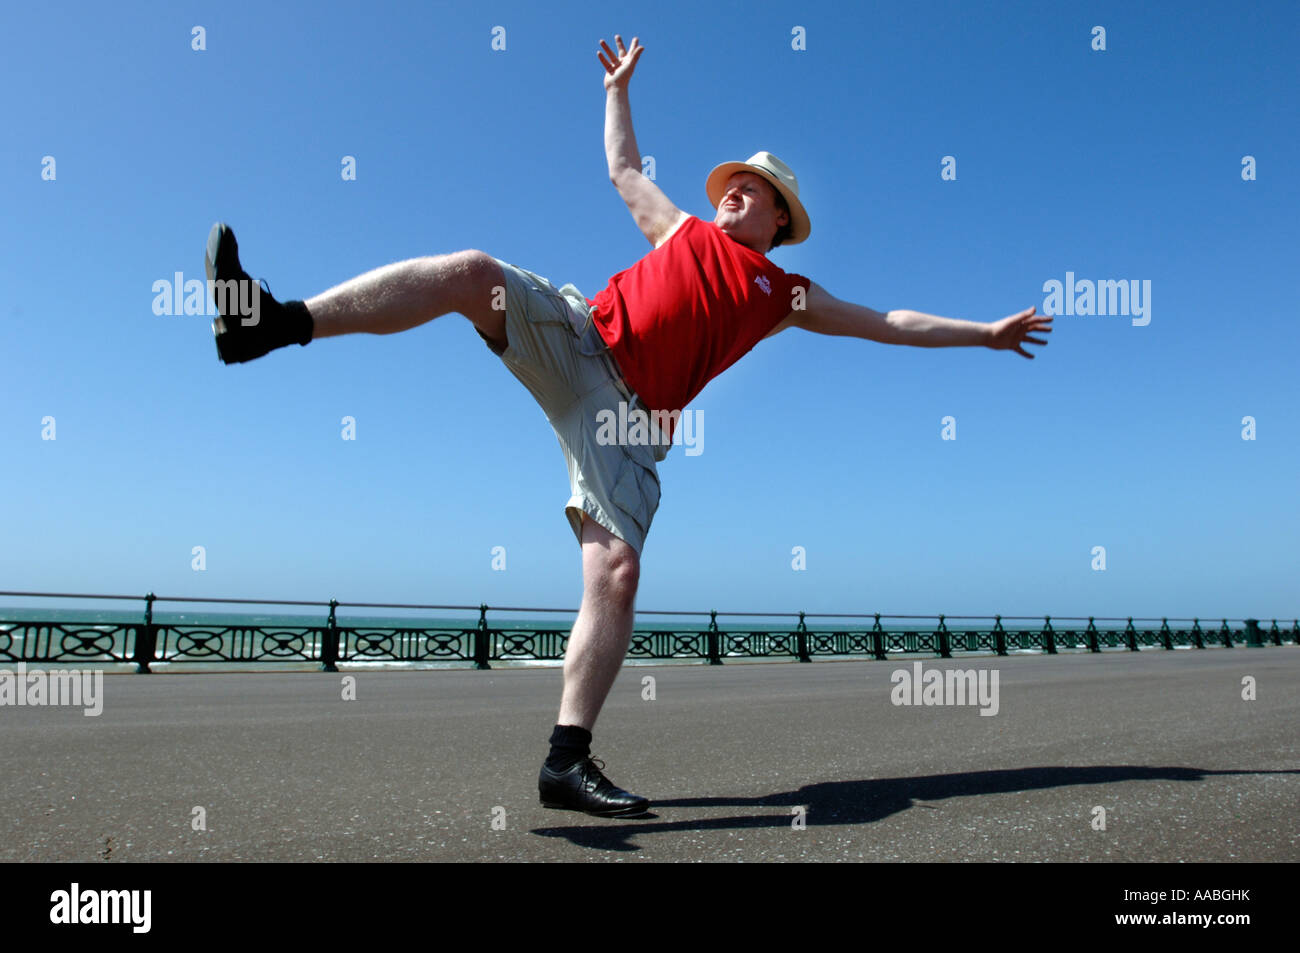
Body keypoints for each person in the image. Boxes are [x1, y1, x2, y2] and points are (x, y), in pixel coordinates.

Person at [203, 34, 1051, 819]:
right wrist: (618, 89)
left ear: (778, 222)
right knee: (473, 273)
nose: (734, 193)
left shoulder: (785, 294)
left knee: (615, 568)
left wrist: (984, 332)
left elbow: (888, 320)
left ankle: (565, 761)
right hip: (578, 337)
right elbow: (620, 167)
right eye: (733, 185)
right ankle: (272, 323)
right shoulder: (679, 226)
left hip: (630, 423)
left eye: (753, 192)